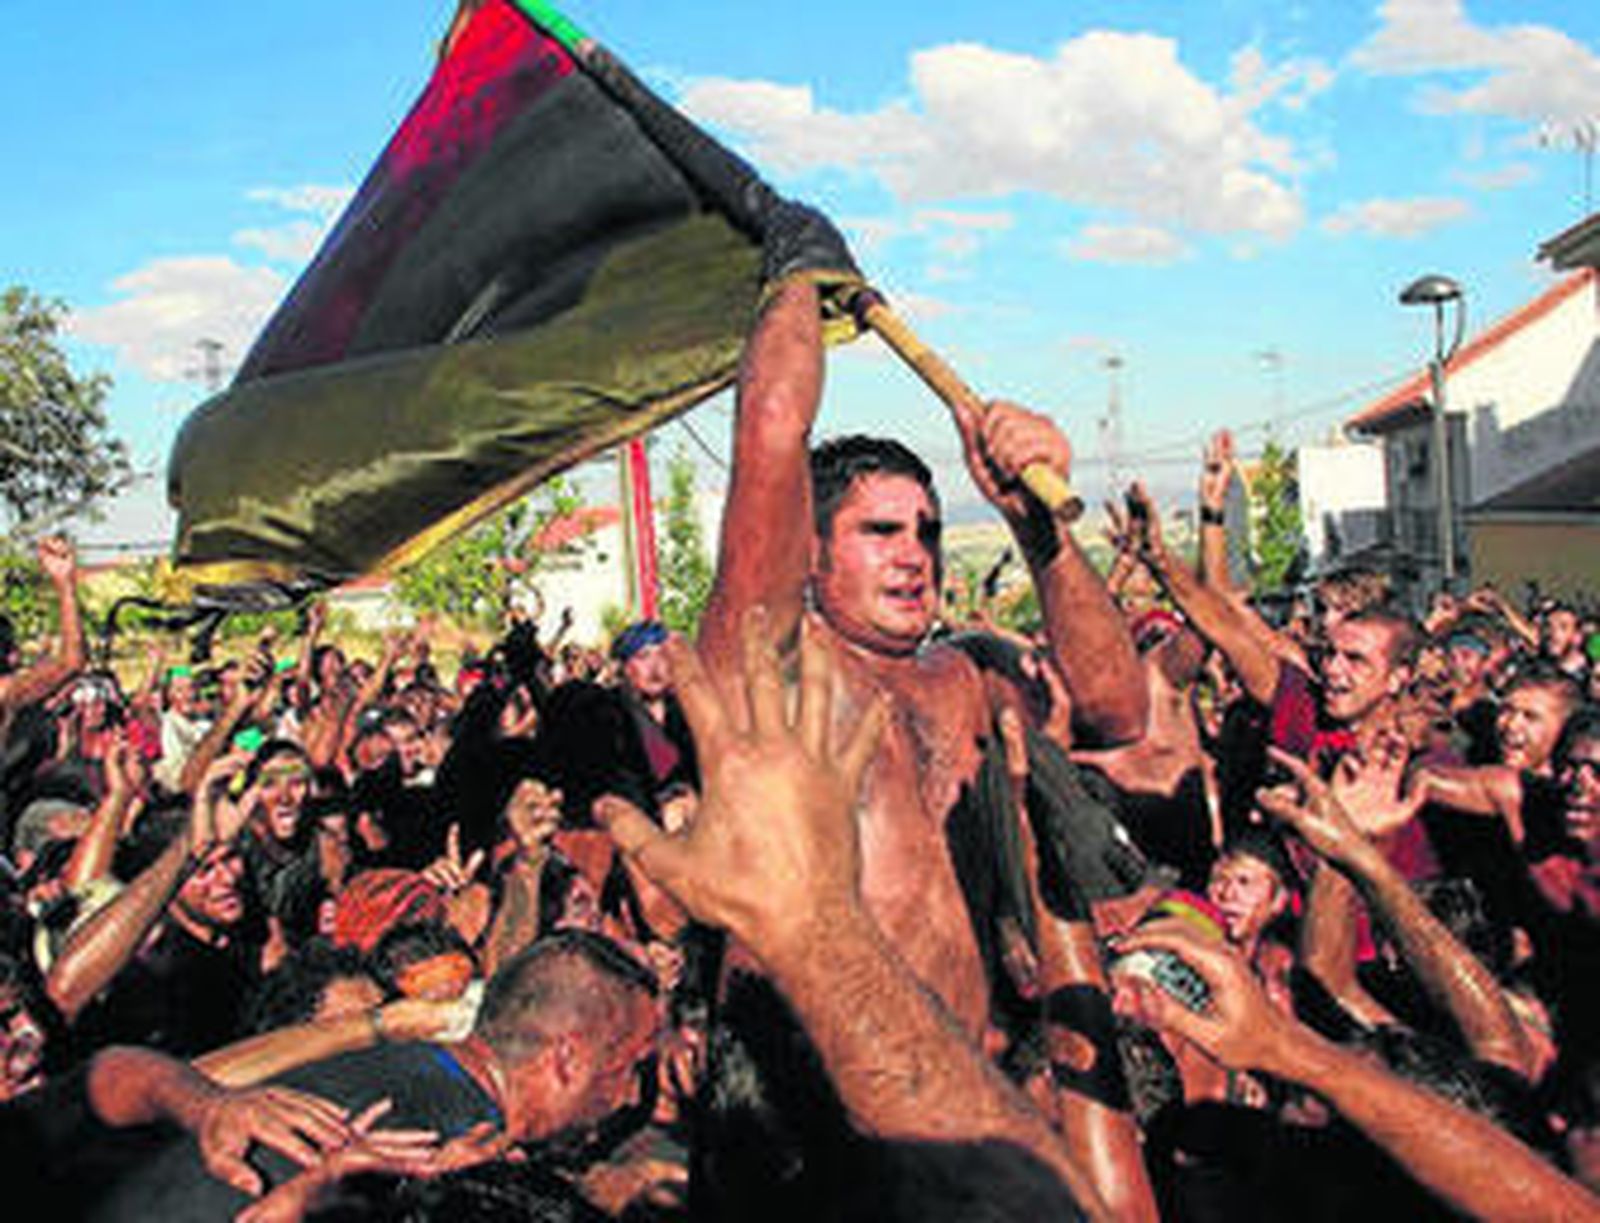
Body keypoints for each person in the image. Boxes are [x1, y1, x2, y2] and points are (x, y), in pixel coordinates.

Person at [89, 927, 662, 1220]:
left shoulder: (388, 1070)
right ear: (566, 1058)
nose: (635, 1093)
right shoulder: (441, 1155)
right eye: (629, 1067)